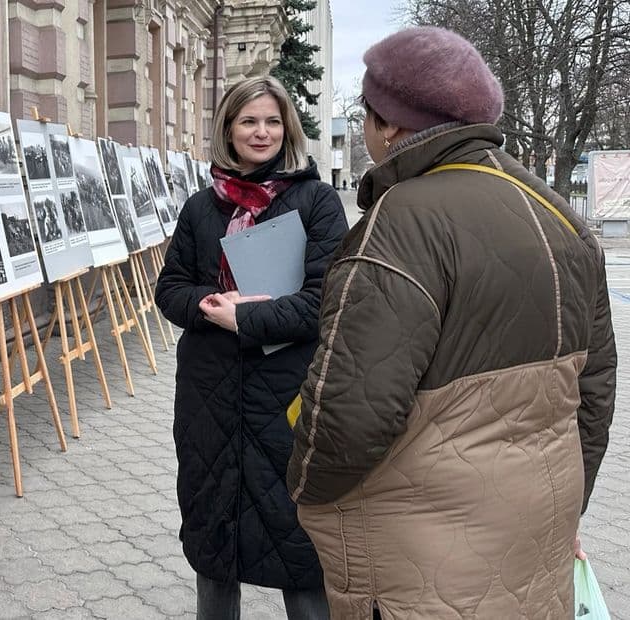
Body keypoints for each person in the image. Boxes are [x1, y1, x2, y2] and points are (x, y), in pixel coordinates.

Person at [287, 27, 616, 619]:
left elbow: (351, 411)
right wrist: (570, 503)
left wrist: (305, 489)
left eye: (366, 114)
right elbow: (594, 393)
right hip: (535, 530)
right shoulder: (560, 215)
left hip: (420, 557)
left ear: (388, 123)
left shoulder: (403, 220)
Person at [154, 75, 348, 620]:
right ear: (228, 130)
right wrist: (211, 304)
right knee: (214, 545)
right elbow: (169, 291)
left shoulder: (317, 202)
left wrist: (246, 316)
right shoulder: (201, 207)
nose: (261, 132)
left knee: (300, 548)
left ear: (287, 126)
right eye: (248, 121)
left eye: (271, 120)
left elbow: (323, 302)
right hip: (209, 398)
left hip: (286, 396)